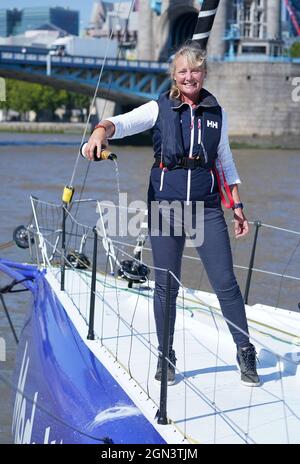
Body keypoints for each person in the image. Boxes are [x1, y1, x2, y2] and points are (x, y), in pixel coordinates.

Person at [85, 42, 260, 388]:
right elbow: (122, 122)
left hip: (206, 208)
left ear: (203, 73)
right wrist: (101, 130)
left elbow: (224, 162)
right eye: (183, 71)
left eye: (195, 70)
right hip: (164, 207)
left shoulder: (216, 112)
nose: (189, 76)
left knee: (226, 284)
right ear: (175, 76)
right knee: (166, 286)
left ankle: (245, 350)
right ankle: (166, 356)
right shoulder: (160, 108)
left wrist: (236, 207)